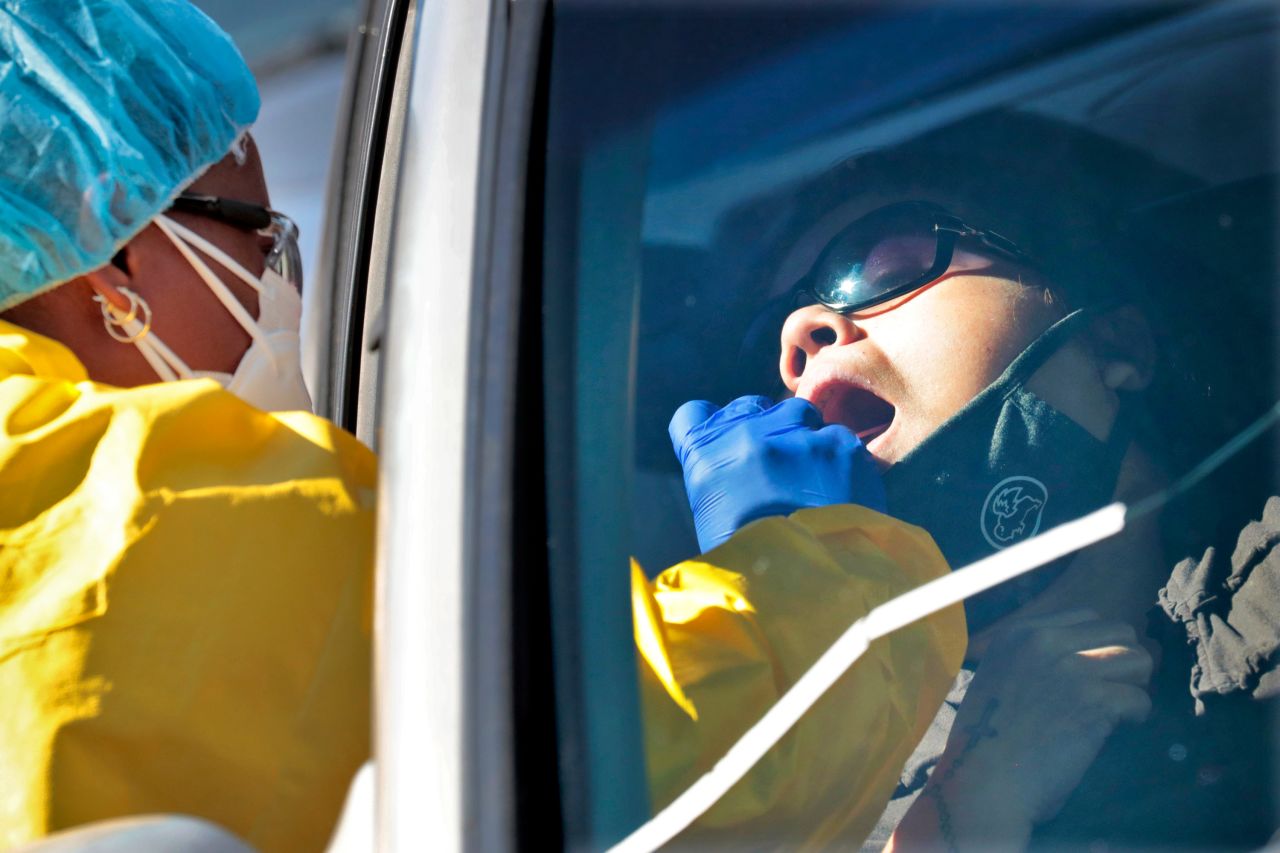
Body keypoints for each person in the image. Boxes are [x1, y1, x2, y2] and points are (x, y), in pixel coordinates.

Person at [665, 111, 1275, 849]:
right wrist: (967, 812)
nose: (800, 334)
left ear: (1114, 344)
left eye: (878, 262)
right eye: (770, 340)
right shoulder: (824, 814)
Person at [0, 2, 372, 850]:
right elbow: (649, 715)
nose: (280, 291)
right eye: (263, 243)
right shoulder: (252, 509)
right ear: (119, 265)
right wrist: (747, 559)